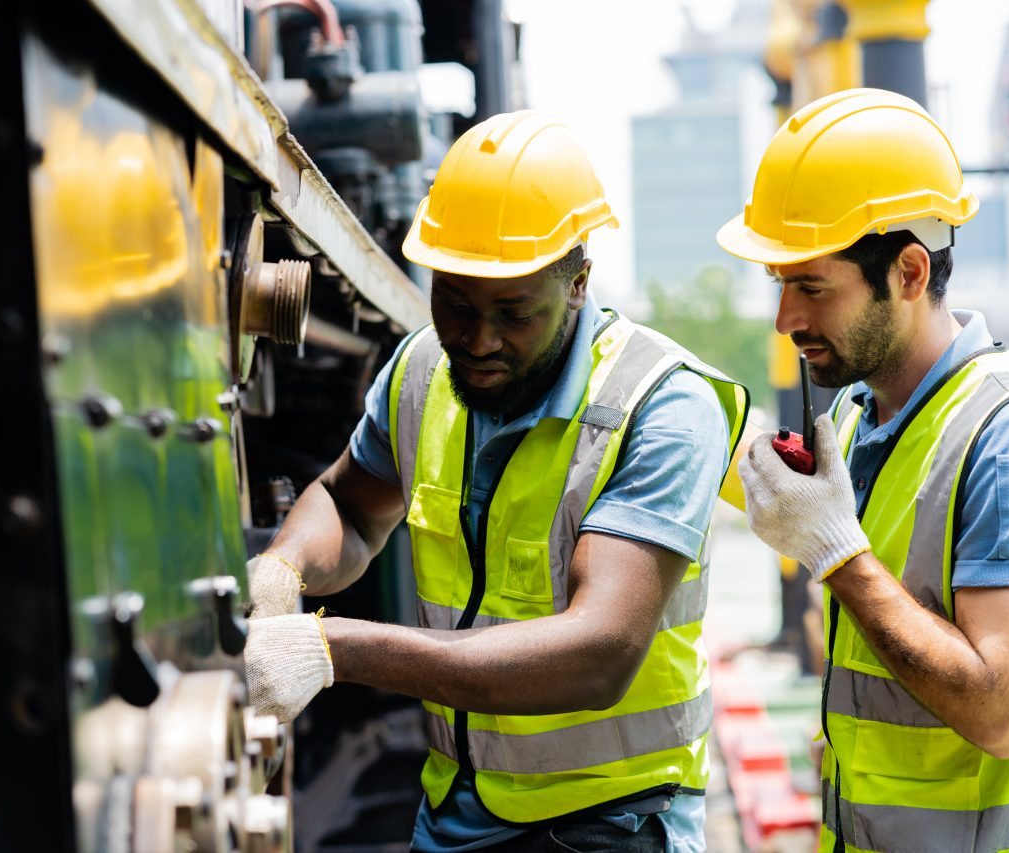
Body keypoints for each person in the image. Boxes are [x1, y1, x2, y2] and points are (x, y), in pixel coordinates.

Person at [243, 110, 748, 852]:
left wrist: (333, 649)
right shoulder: (420, 371)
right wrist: (285, 566)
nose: (478, 341)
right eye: (456, 302)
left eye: (514, 313)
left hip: (612, 825)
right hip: (460, 813)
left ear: (578, 283)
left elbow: (599, 650)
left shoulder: (663, 406)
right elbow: (350, 508)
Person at [717, 88, 1009, 852]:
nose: (786, 320)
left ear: (907, 271)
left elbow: (1001, 714)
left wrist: (835, 551)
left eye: (812, 286)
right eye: (780, 285)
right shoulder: (861, 423)